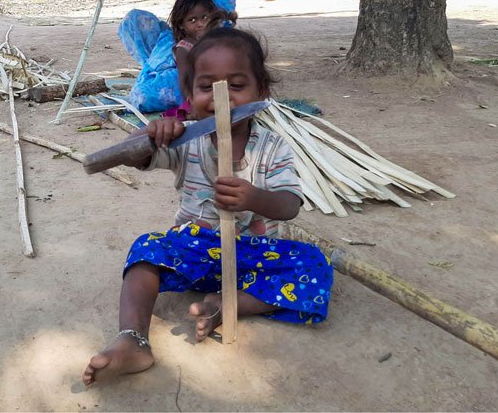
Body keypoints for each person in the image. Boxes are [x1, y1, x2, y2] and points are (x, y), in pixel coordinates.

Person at [82, 30, 332, 386]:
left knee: (315, 264)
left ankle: (229, 305)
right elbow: (132, 153)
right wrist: (151, 134)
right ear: (189, 96)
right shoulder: (187, 139)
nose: (221, 97)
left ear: (261, 92)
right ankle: (133, 338)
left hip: (254, 257)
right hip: (195, 251)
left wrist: (254, 198)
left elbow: (289, 205)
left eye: (236, 84)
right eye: (206, 87)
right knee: (146, 249)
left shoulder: (274, 147)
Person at [165, 0, 222, 119]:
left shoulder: (217, 41)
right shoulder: (184, 48)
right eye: (192, 20)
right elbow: (185, 80)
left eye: (205, 17)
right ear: (181, 25)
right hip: (197, 95)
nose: (200, 24)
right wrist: (193, 105)